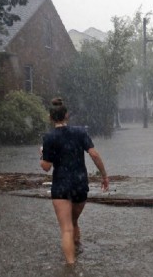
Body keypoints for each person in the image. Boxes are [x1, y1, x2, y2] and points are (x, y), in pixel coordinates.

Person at [40, 98, 109, 265]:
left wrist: (42, 154)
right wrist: (104, 176)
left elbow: (46, 167)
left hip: (61, 186)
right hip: (79, 184)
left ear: (50, 118)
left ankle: (71, 267)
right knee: (74, 221)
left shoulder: (49, 138)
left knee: (66, 229)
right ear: (67, 115)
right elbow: (94, 155)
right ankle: (78, 249)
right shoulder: (80, 132)